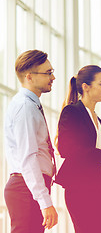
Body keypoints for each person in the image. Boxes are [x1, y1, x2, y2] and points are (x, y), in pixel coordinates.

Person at [4, 49, 58, 233]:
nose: (53, 77)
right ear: (29, 77)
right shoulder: (25, 107)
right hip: (25, 189)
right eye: (48, 73)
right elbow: (28, 157)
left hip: (28, 187)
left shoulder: (32, 105)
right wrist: (44, 202)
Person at [55, 65, 101, 233]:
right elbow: (66, 149)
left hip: (97, 187)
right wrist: (100, 155)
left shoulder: (98, 120)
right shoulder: (72, 112)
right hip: (80, 188)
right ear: (86, 87)